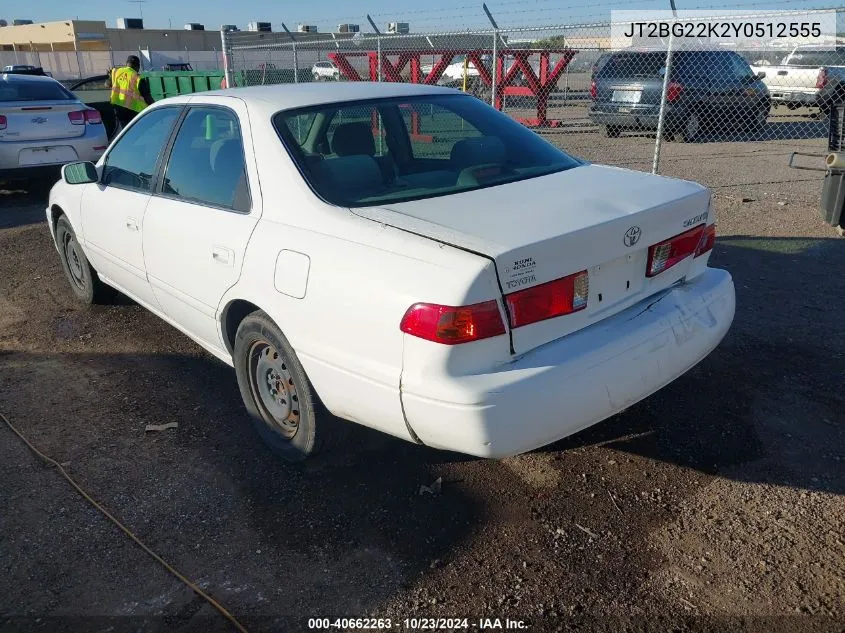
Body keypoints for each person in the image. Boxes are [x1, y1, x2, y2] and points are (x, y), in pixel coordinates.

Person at [109, 55, 154, 131]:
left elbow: (107, 84)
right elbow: (148, 99)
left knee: (125, 132)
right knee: (136, 133)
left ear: (126, 64)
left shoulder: (116, 72)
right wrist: (154, 106)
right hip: (134, 113)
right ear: (138, 66)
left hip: (118, 110)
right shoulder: (139, 78)